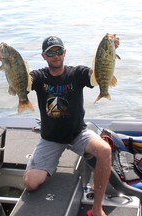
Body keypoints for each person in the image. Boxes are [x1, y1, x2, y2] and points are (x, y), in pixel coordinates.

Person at [23, 36, 119, 216]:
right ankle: (47, 163)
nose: (56, 56)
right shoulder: (38, 77)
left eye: (59, 51)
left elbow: (96, 77)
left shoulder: (77, 73)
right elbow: (21, 81)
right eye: (51, 52)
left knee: (105, 150)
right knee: (31, 183)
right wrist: (4, 60)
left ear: (64, 53)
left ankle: (97, 208)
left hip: (78, 134)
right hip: (50, 138)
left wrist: (111, 52)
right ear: (44, 56)